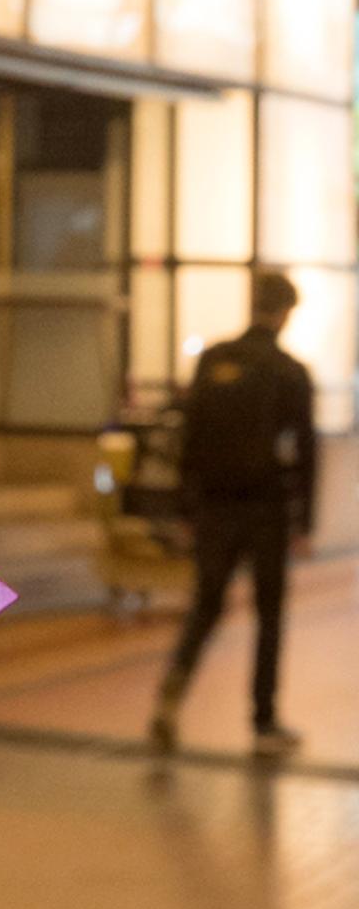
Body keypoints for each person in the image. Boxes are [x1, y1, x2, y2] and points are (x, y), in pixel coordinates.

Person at [148, 271, 316, 758]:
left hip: (215, 507)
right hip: (267, 508)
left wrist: (185, 508)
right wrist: (304, 521)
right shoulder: (289, 371)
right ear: (285, 313)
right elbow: (306, 450)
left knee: (206, 604)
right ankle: (264, 723)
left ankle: (173, 689)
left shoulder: (214, 359)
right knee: (269, 614)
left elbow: (191, 435)